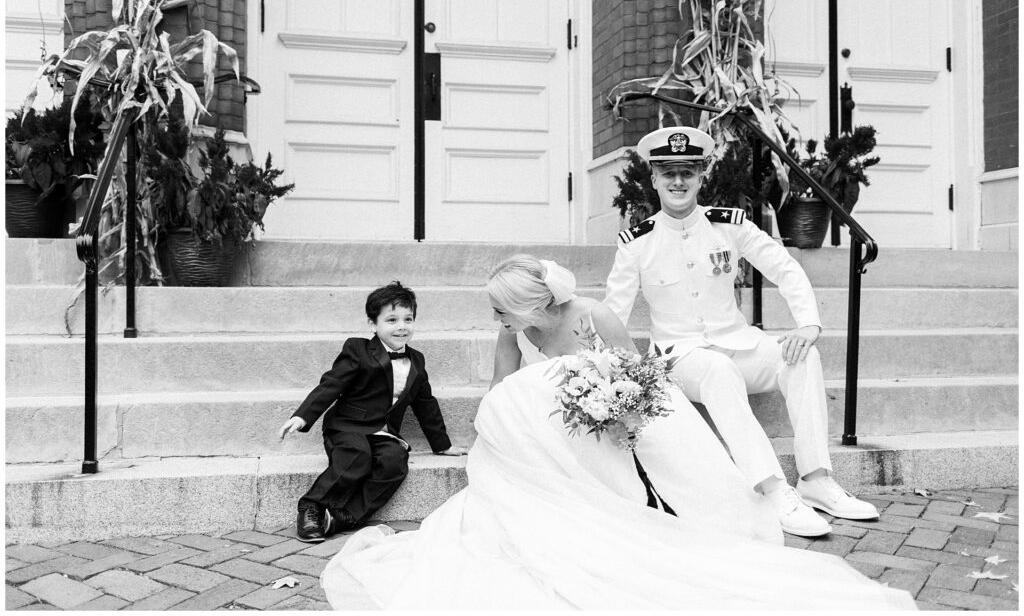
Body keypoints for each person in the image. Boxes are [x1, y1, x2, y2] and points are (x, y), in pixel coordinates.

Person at [319, 256, 915, 610]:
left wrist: (619, 409)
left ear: (533, 307)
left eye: (503, 311)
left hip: (625, 418)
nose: (496, 320)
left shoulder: (594, 316)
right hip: (568, 430)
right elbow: (502, 394)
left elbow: (640, 376)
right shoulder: (514, 335)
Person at [604, 125, 879, 538]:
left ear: (701, 177)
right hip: (680, 358)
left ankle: (817, 479)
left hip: (738, 343)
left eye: (688, 172)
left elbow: (784, 267)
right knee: (717, 370)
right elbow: (613, 312)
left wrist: (807, 323)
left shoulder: (730, 225)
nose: (678, 182)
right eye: (668, 173)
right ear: (655, 179)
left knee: (804, 356)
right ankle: (772, 489)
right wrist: (605, 366)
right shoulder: (637, 242)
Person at [279, 281, 467, 543]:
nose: (401, 326)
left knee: (394, 463)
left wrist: (442, 445)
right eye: (391, 319)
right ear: (373, 324)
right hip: (347, 427)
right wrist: (302, 416)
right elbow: (331, 384)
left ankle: (346, 516)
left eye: (408, 319)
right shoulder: (357, 350)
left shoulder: (417, 360)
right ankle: (312, 507)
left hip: (383, 433)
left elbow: (425, 403)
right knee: (356, 457)